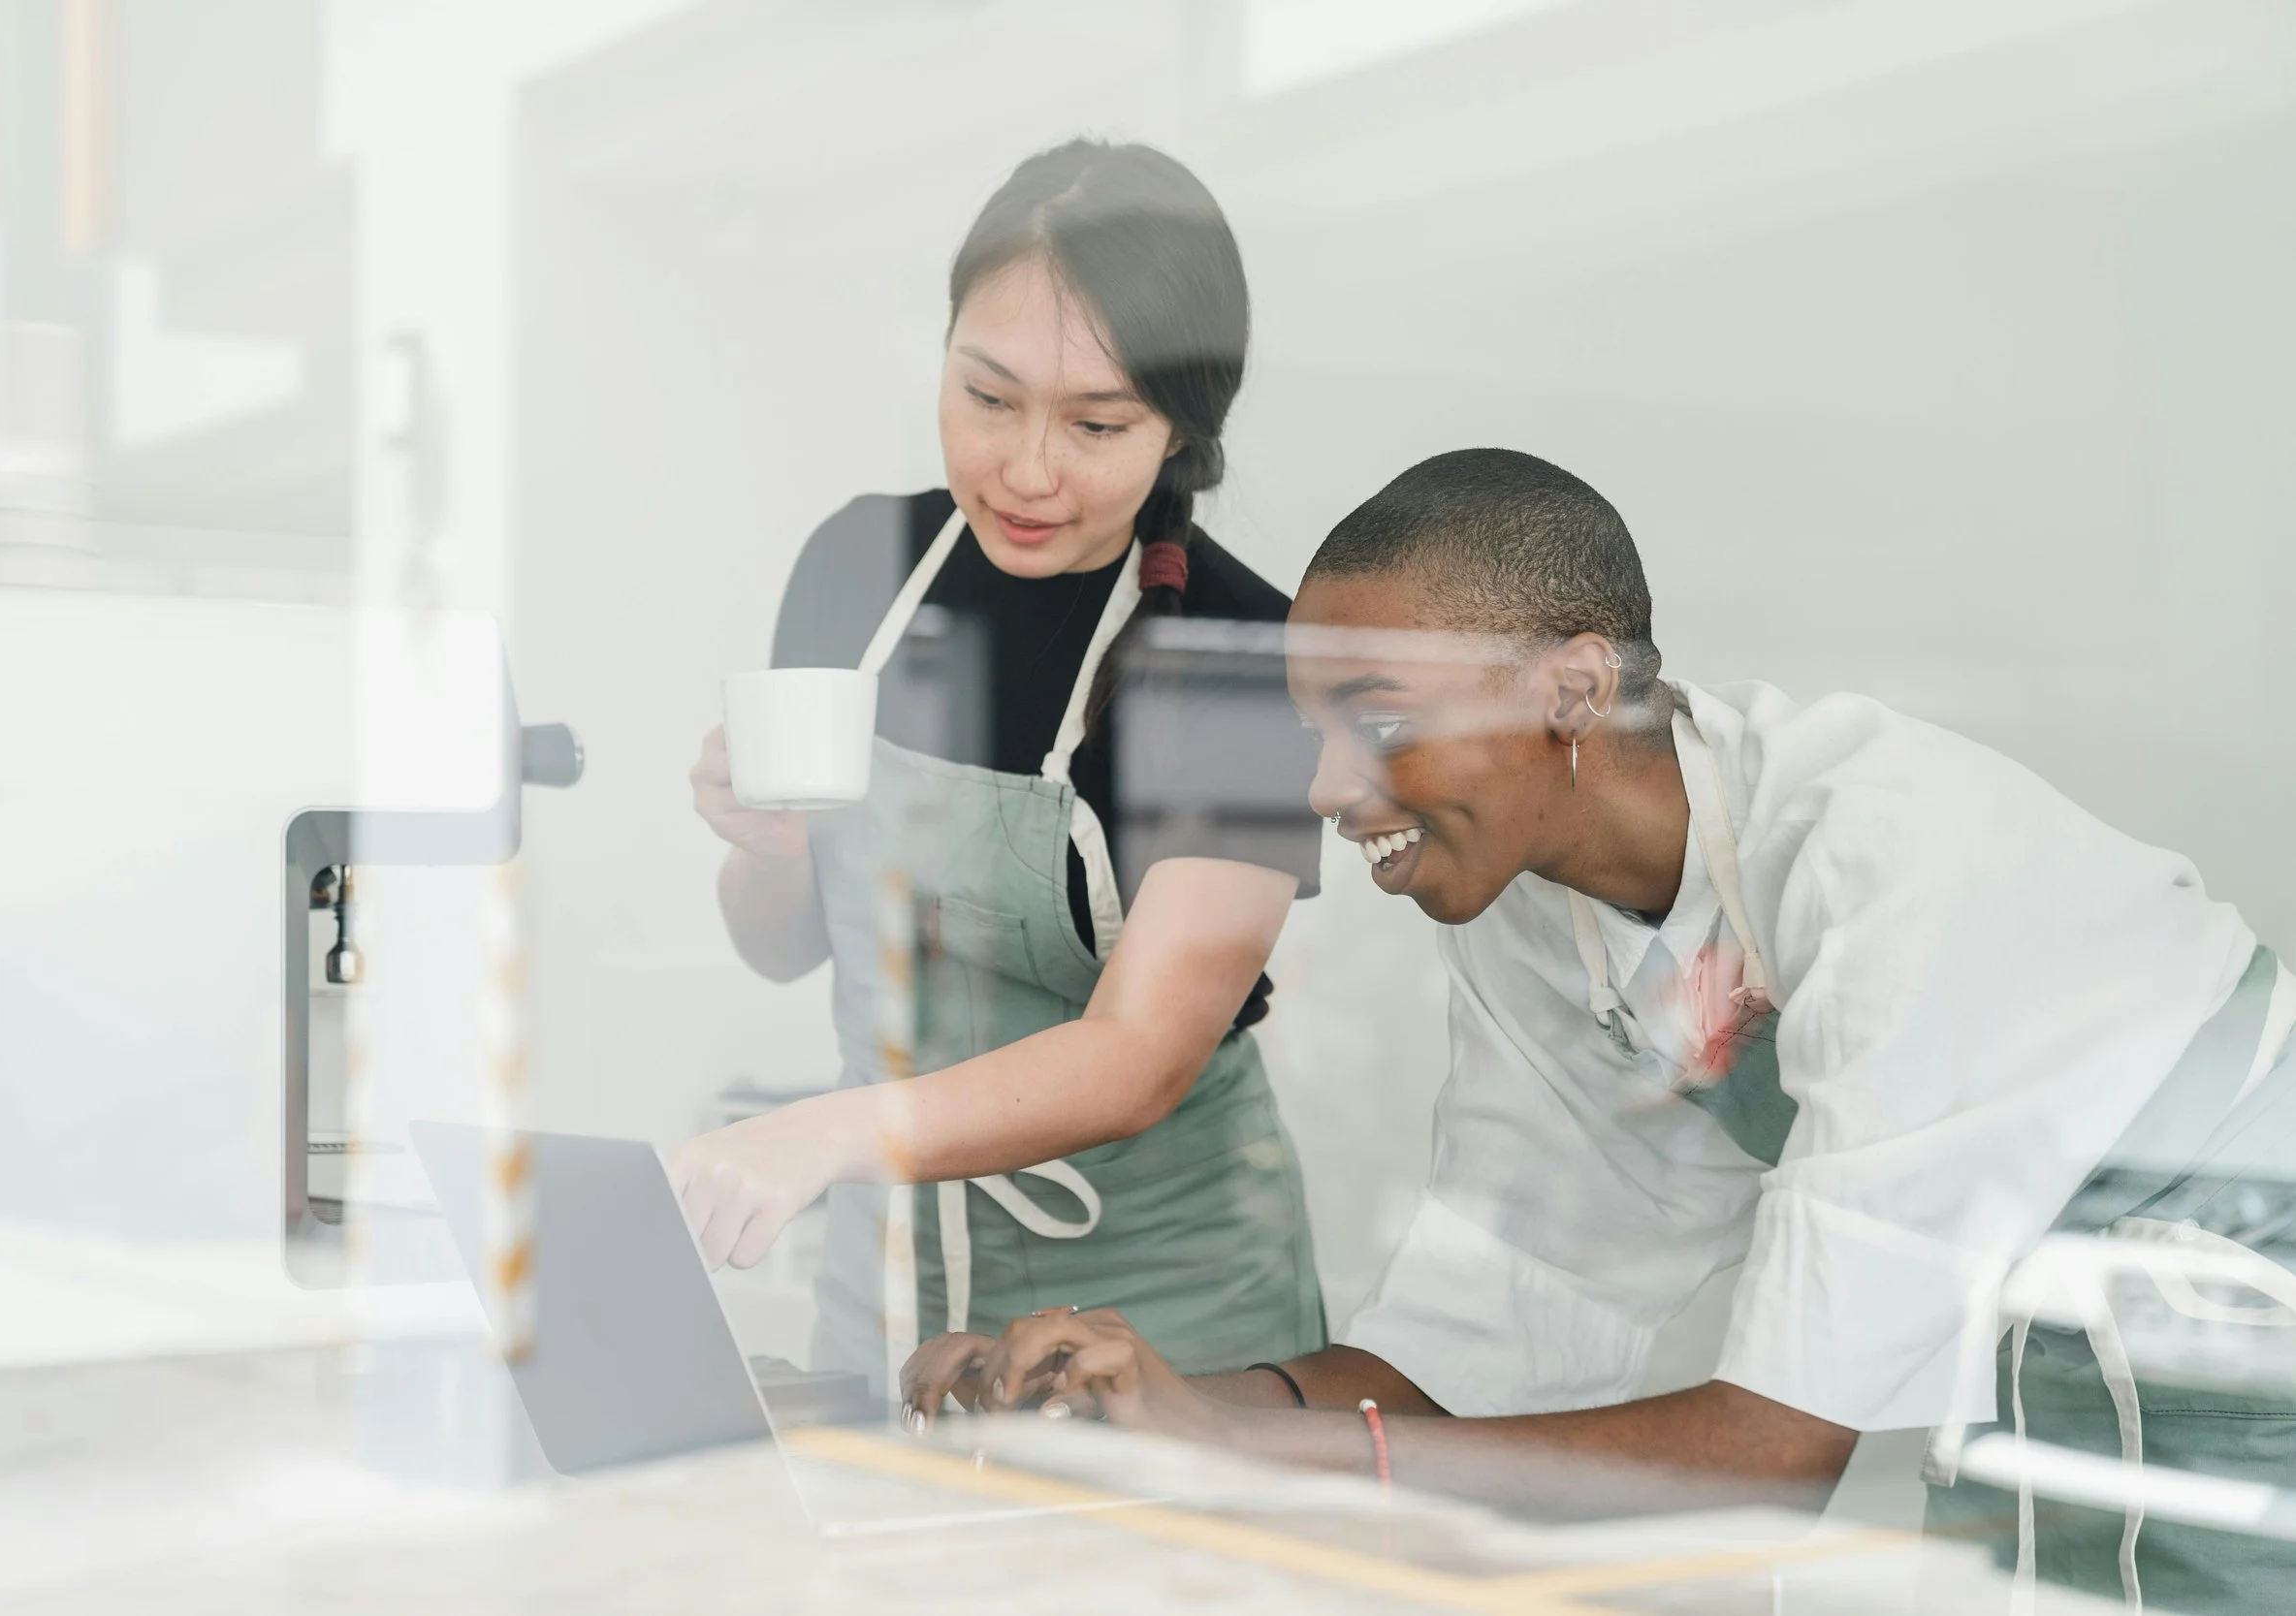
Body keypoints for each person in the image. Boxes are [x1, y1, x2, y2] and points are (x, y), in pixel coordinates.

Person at [902, 449, 2296, 1613]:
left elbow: (1763, 1462)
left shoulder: (1887, 863)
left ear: (1572, 689)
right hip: (2070, 1387)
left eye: (1375, 720)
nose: (1322, 788)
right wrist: (1121, 1406)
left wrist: (1222, 1450)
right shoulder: (1534, 918)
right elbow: (1468, 1351)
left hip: (2247, 1353)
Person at [677, 140, 1327, 1398]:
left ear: (1181, 431)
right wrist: (769, 846)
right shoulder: (858, 568)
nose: (1027, 470)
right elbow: (781, 943)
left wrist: (824, 1134)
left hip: (1166, 1301)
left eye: (1096, 424)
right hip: (893, 1274)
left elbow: (1141, 1054)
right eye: (987, 397)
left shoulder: (1241, 654)